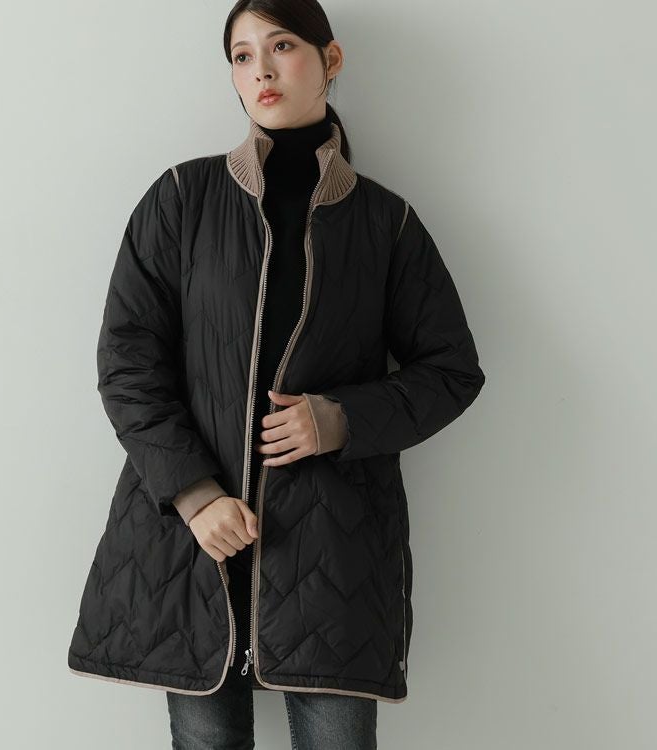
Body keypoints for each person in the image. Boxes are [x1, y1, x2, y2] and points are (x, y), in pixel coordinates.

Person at [68, 1, 486, 748]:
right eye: (241, 55)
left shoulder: (385, 223)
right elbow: (128, 361)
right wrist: (195, 495)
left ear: (331, 59)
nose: (260, 68)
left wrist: (340, 419)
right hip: (193, 549)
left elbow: (452, 370)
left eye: (282, 45)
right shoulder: (182, 198)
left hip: (331, 557)